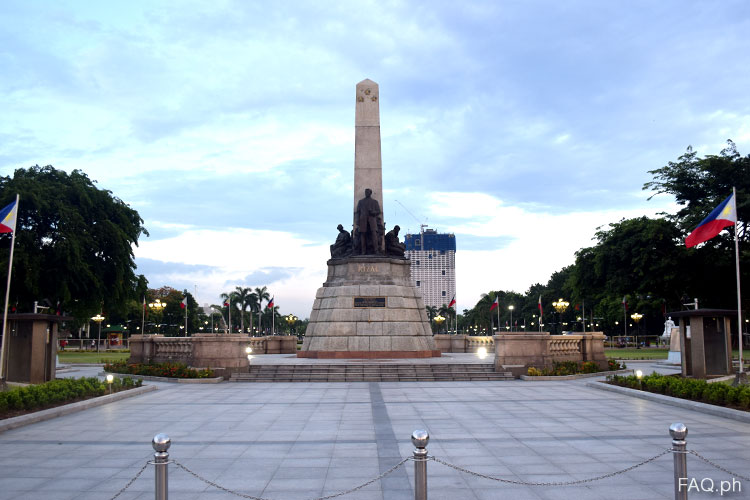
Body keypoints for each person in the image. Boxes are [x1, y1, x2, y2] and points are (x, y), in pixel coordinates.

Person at [355, 188, 383, 255]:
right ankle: (363, 251)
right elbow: (357, 212)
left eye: (367, 192)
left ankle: (376, 250)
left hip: (372, 220)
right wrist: (357, 220)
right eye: (365, 192)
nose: (366, 193)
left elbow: (378, 211)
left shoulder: (374, 202)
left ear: (370, 193)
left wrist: (373, 212)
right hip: (363, 220)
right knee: (363, 235)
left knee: (374, 235)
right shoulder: (361, 202)